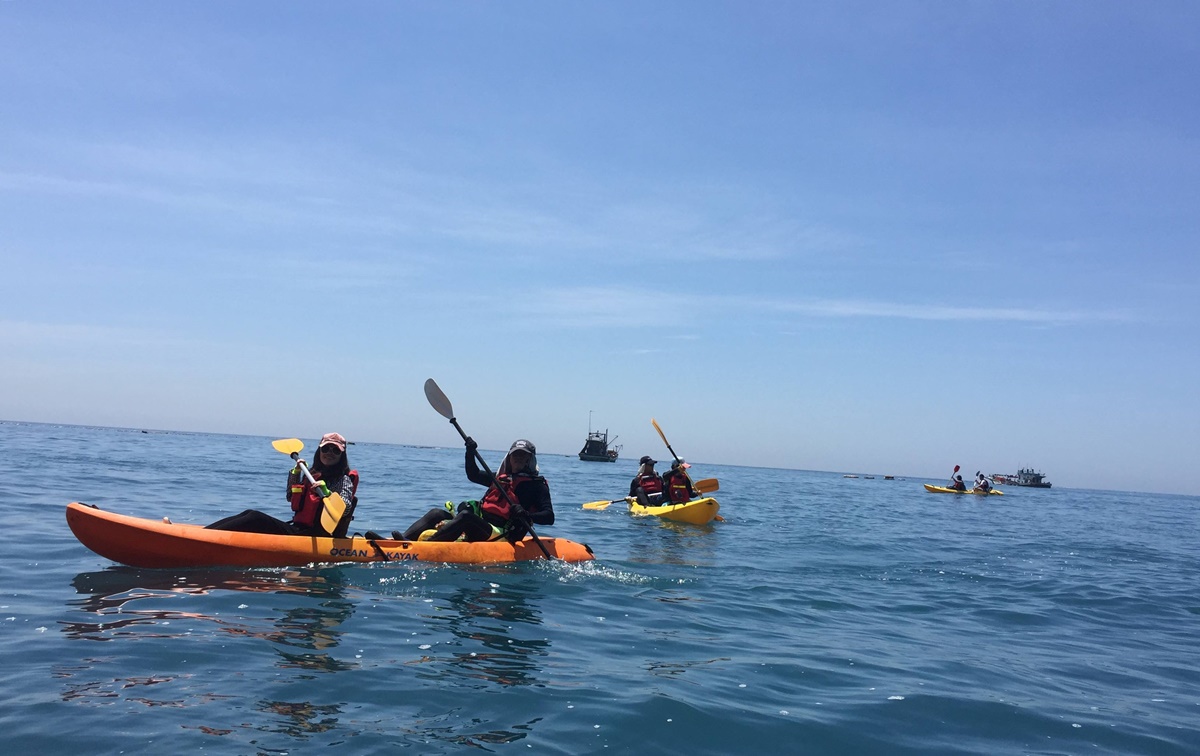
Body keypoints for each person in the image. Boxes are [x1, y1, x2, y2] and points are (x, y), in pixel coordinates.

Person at [395, 437, 553, 542]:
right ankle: (403, 539)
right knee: (437, 513)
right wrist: (469, 453)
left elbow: (549, 516)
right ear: (509, 458)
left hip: (503, 533)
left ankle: (423, 548)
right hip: (483, 524)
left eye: (522, 455)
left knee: (465, 517)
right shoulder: (500, 478)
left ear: (530, 459)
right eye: (515, 455)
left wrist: (526, 514)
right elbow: (473, 474)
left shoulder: (536, 485)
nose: (518, 458)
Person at [207, 432, 359, 537]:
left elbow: (344, 509)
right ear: (319, 451)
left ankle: (207, 536)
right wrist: (296, 472)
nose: (329, 453)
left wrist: (326, 492)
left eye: (335, 450)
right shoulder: (311, 474)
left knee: (255, 518)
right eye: (326, 448)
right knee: (249, 513)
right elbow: (290, 496)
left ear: (342, 455)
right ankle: (206, 533)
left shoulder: (343, 479)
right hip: (299, 529)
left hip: (317, 535)